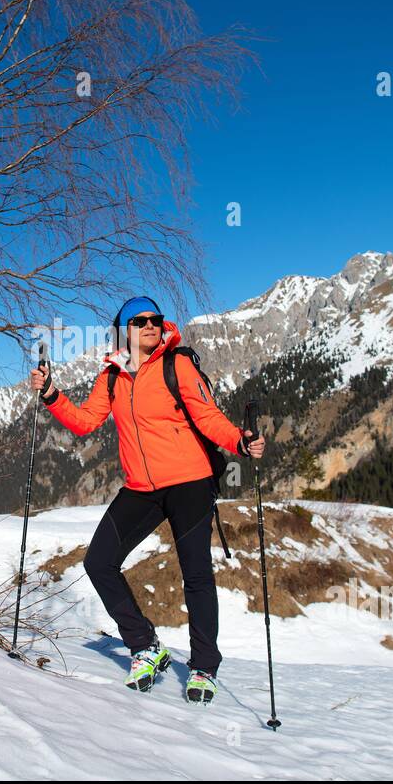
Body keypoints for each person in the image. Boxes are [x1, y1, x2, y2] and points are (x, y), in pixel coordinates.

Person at [29, 296, 266, 705]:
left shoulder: (178, 365)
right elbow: (86, 422)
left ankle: (204, 666)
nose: (150, 325)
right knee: (98, 562)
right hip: (141, 488)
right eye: (139, 321)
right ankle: (144, 645)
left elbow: (207, 416)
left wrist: (240, 442)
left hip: (190, 483)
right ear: (125, 331)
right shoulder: (111, 376)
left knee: (196, 576)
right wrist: (51, 394)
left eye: (155, 319)